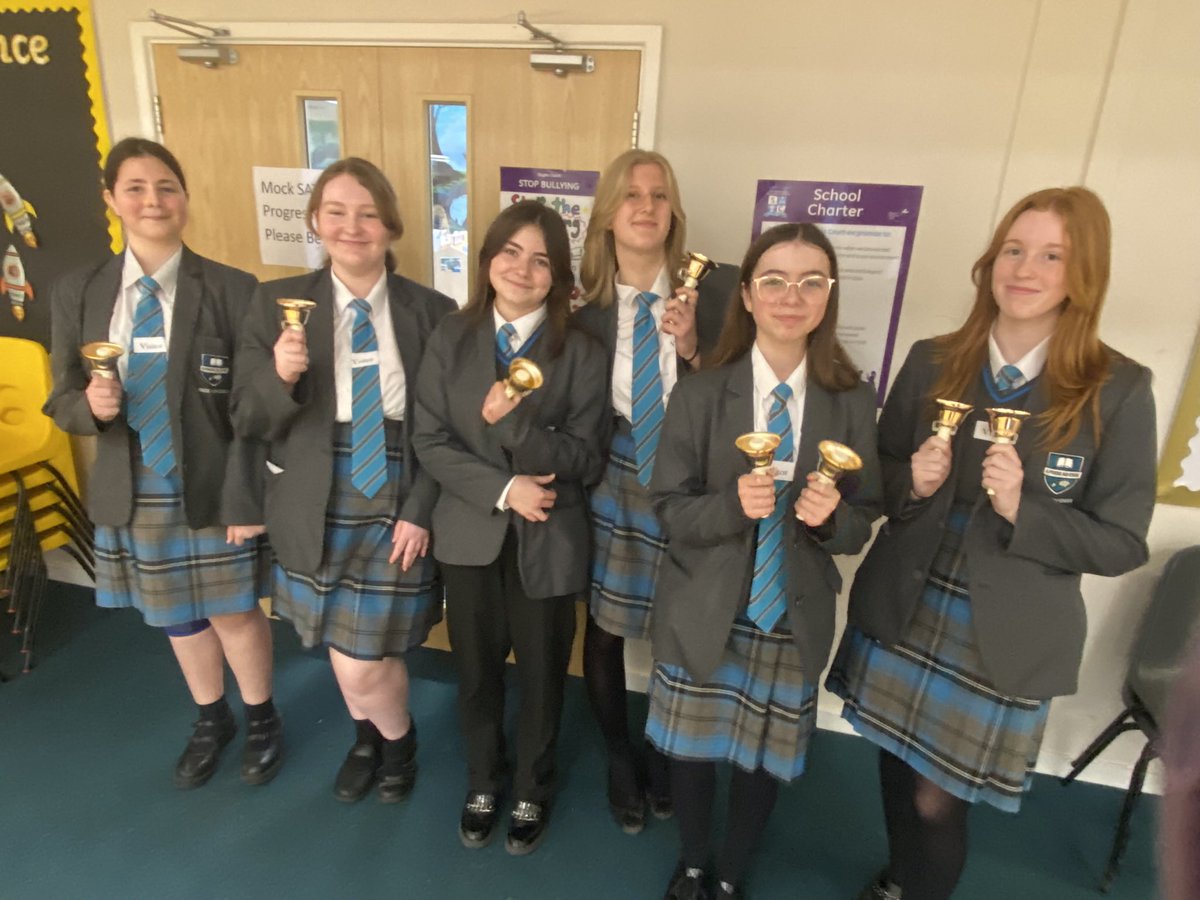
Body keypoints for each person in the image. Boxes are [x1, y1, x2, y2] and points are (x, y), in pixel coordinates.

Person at [826, 186, 1157, 900]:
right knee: (890, 759)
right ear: (992, 260)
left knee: (935, 801)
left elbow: (1122, 543)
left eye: (1051, 255)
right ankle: (900, 877)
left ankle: (919, 889)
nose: (1025, 269)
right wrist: (910, 482)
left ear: (1082, 276)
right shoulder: (932, 360)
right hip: (906, 601)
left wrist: (1022, 509)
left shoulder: (1117, 389)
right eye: (1014, 249)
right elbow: (875, 478)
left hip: (999, 633)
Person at [648, 223, 882, 900]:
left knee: (761, 762)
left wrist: (832, 519)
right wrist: (728, 506)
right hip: (706, 605)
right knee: (691, 751)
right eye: (774, 280)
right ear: (747, 295)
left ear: (828, 297)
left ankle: (729, 872)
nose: (791, 296)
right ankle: (693, 860)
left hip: (792, 608)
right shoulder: (701, 392)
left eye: (811, 282)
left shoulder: (851, 399)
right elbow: (667, 506)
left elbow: (866, 517)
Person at [43, 137, 280, 789]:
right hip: (135, 482)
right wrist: (88, 406)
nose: (153, 200)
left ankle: (261, 718)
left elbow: (252, 404)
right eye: (137, 188)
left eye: (166, 186)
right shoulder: (80, 291)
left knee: (233, 610)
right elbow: (58, 397)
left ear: (185, 198)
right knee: (179, 615)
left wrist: (248, 496)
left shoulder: (232, 289)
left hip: (213, 480)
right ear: (111, 200)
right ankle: (212, 718)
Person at [231, 157, 454, 805]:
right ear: (316, 223)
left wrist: (421, 508)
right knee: (337, 637)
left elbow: (449, 428)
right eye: (336, 212)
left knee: (365, 653)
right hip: (309, 492)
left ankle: (397, 738)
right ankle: (371, 739)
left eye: (367, 213)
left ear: (391, 225)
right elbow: (246, 414)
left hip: (395, 487)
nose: (352, 226)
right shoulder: (275, 303)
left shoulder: (434, 313)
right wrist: (280, 375)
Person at [412, 200, 607, 856]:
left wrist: (518, 428)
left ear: (558, 276)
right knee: (475, 670)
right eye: (511, 252)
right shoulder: (450, 336)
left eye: (542, 259)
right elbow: (430, 441)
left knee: (547, 672)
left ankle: (531, 781)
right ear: (487, 259)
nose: (524, 269)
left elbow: (586, 456)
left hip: (549, 539)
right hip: (470, 533)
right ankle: (482, 777)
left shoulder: (579, 350)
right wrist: (505, 488)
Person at [573, 148, 729, 833]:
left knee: (678, 625)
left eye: (659, 195)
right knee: (606, 629)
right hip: (615, 471)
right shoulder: (582, 306)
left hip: (690, 476)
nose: (645, 207)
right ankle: (617, 755)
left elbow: (744, 395)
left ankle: (666, 749)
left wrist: (694, 348)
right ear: (608, 214)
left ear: (674, 212)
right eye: (631, 195)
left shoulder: (715, 290)